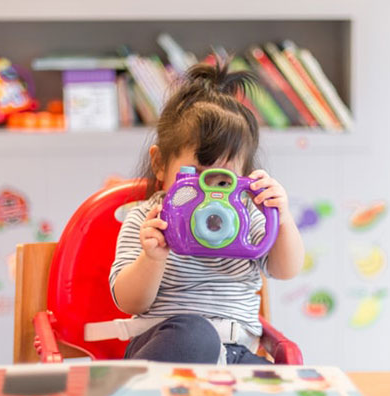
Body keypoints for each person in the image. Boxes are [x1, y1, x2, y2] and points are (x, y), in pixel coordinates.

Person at [109, 58, 305, 364]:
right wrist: (152, 258)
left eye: (223, 181)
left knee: (280, 382)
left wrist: (282, 219)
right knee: (196, 335)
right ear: (160, 164)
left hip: (236, 353)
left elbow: (286, 269)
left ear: (244, 178)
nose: (209, 196)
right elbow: (128, 301)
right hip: (170, 348)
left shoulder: (245, 217)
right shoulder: (148, 220)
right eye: (196, 178)